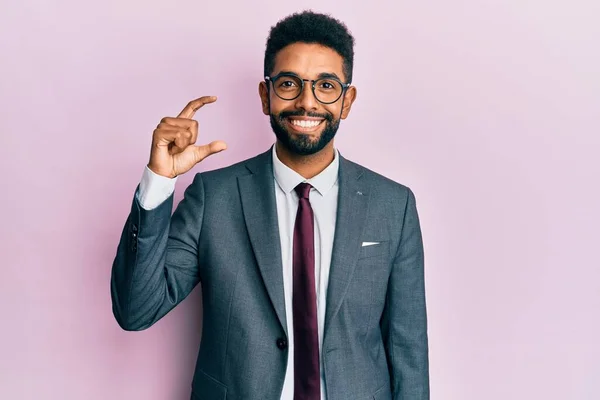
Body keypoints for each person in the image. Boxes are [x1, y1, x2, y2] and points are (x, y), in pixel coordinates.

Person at [110, 10, 429, 400]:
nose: (307, 102)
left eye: (326, 85)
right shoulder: (214, 197)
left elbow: (408, 350)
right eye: (289, 83)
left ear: (347, 100)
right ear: (266, 96)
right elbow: (136, 309)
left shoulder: (393, 206)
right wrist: (159, 181)